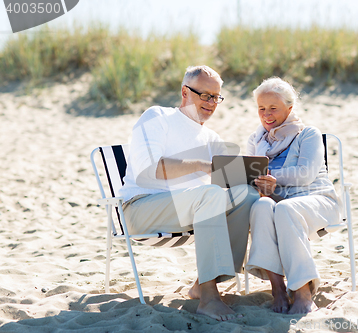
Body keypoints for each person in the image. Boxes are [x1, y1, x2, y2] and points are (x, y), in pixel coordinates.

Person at [118, 65, 260, 321]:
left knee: (246, 195)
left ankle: (203, 282)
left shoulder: (211, 137)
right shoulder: (157, 117)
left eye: (216, 96)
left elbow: (226, 184)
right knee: (207, 194)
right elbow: (148, 169)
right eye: (204, 95)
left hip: (190, 209)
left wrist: (256, 181)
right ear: (185, 91)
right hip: (141, 208)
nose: (211, 102)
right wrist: (199, 165)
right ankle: (208, 297)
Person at [246, 77, 341, 314]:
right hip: (280, 206)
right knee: (261, 207)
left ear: (289, 108)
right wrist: (259, 186)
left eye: (273, 108)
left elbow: (306, 174)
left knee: (284, 208)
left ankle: (302, 291)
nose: (266, 114)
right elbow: (251, 177)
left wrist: (273, 180)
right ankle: (277, 288)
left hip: (318, 201)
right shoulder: (255, 141)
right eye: (261, 108)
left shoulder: (308, 134)